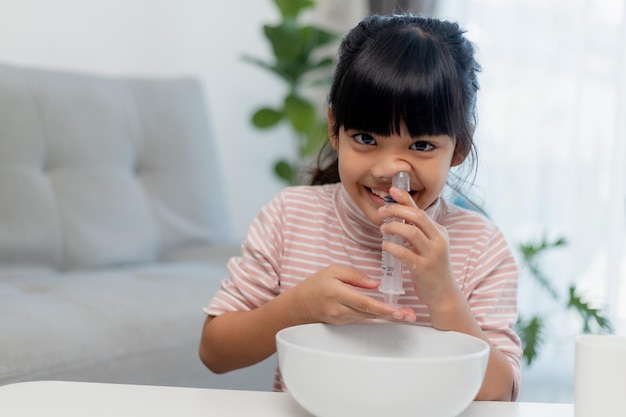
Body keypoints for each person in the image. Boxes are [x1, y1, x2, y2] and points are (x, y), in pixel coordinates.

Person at [199, 13, 522, 401]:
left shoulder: (479, 246)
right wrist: (297, 307)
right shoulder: (289, 218)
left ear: (459, 148)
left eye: (421, 146)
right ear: (335, 130)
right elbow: (215, 352)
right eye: (366, 138)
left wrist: (443, 293)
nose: (389, 170)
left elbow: (501, 394)